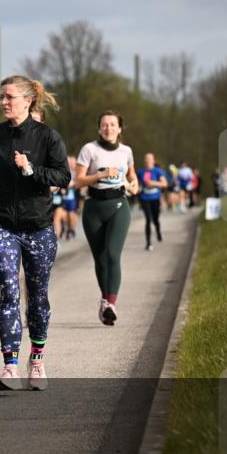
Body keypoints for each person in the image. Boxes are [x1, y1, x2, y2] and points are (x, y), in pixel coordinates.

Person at [0, 75, 70, 392]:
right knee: (9, 291)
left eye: (9, 97)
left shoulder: (48, 137)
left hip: (39, 227)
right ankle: (9, 366)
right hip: (4, 223)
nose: (4, 102)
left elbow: (63, 177)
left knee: (37, 297)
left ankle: (36, 360)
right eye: (1, 97)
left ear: (27, 100)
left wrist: (31, 170)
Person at [74, 111, 139, 326]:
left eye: (112, 125)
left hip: (119, 205)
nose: (108, 128)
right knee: (100, 259)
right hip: (93, 207)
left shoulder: (126, 151)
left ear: (120, 128)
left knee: (112, 254)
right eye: (104, 125)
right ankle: (104, 299)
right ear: (99, 128)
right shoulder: (89, 150)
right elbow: (79, 181)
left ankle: (111, 303)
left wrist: (134, 183)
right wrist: (100, 175)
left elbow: (131, 175)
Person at [137, 152, 167, 251]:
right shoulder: (140, 172)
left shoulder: (158, 171)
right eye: (146, 160)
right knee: (148, 220)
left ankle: (158, 231)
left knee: (155, 219)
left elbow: (164, 184)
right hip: (144, 198)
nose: (147, 162)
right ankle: (148, 243)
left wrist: (153, 183)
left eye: (149, 160)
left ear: (153, 161)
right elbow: (136, 184)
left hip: (155, 198)